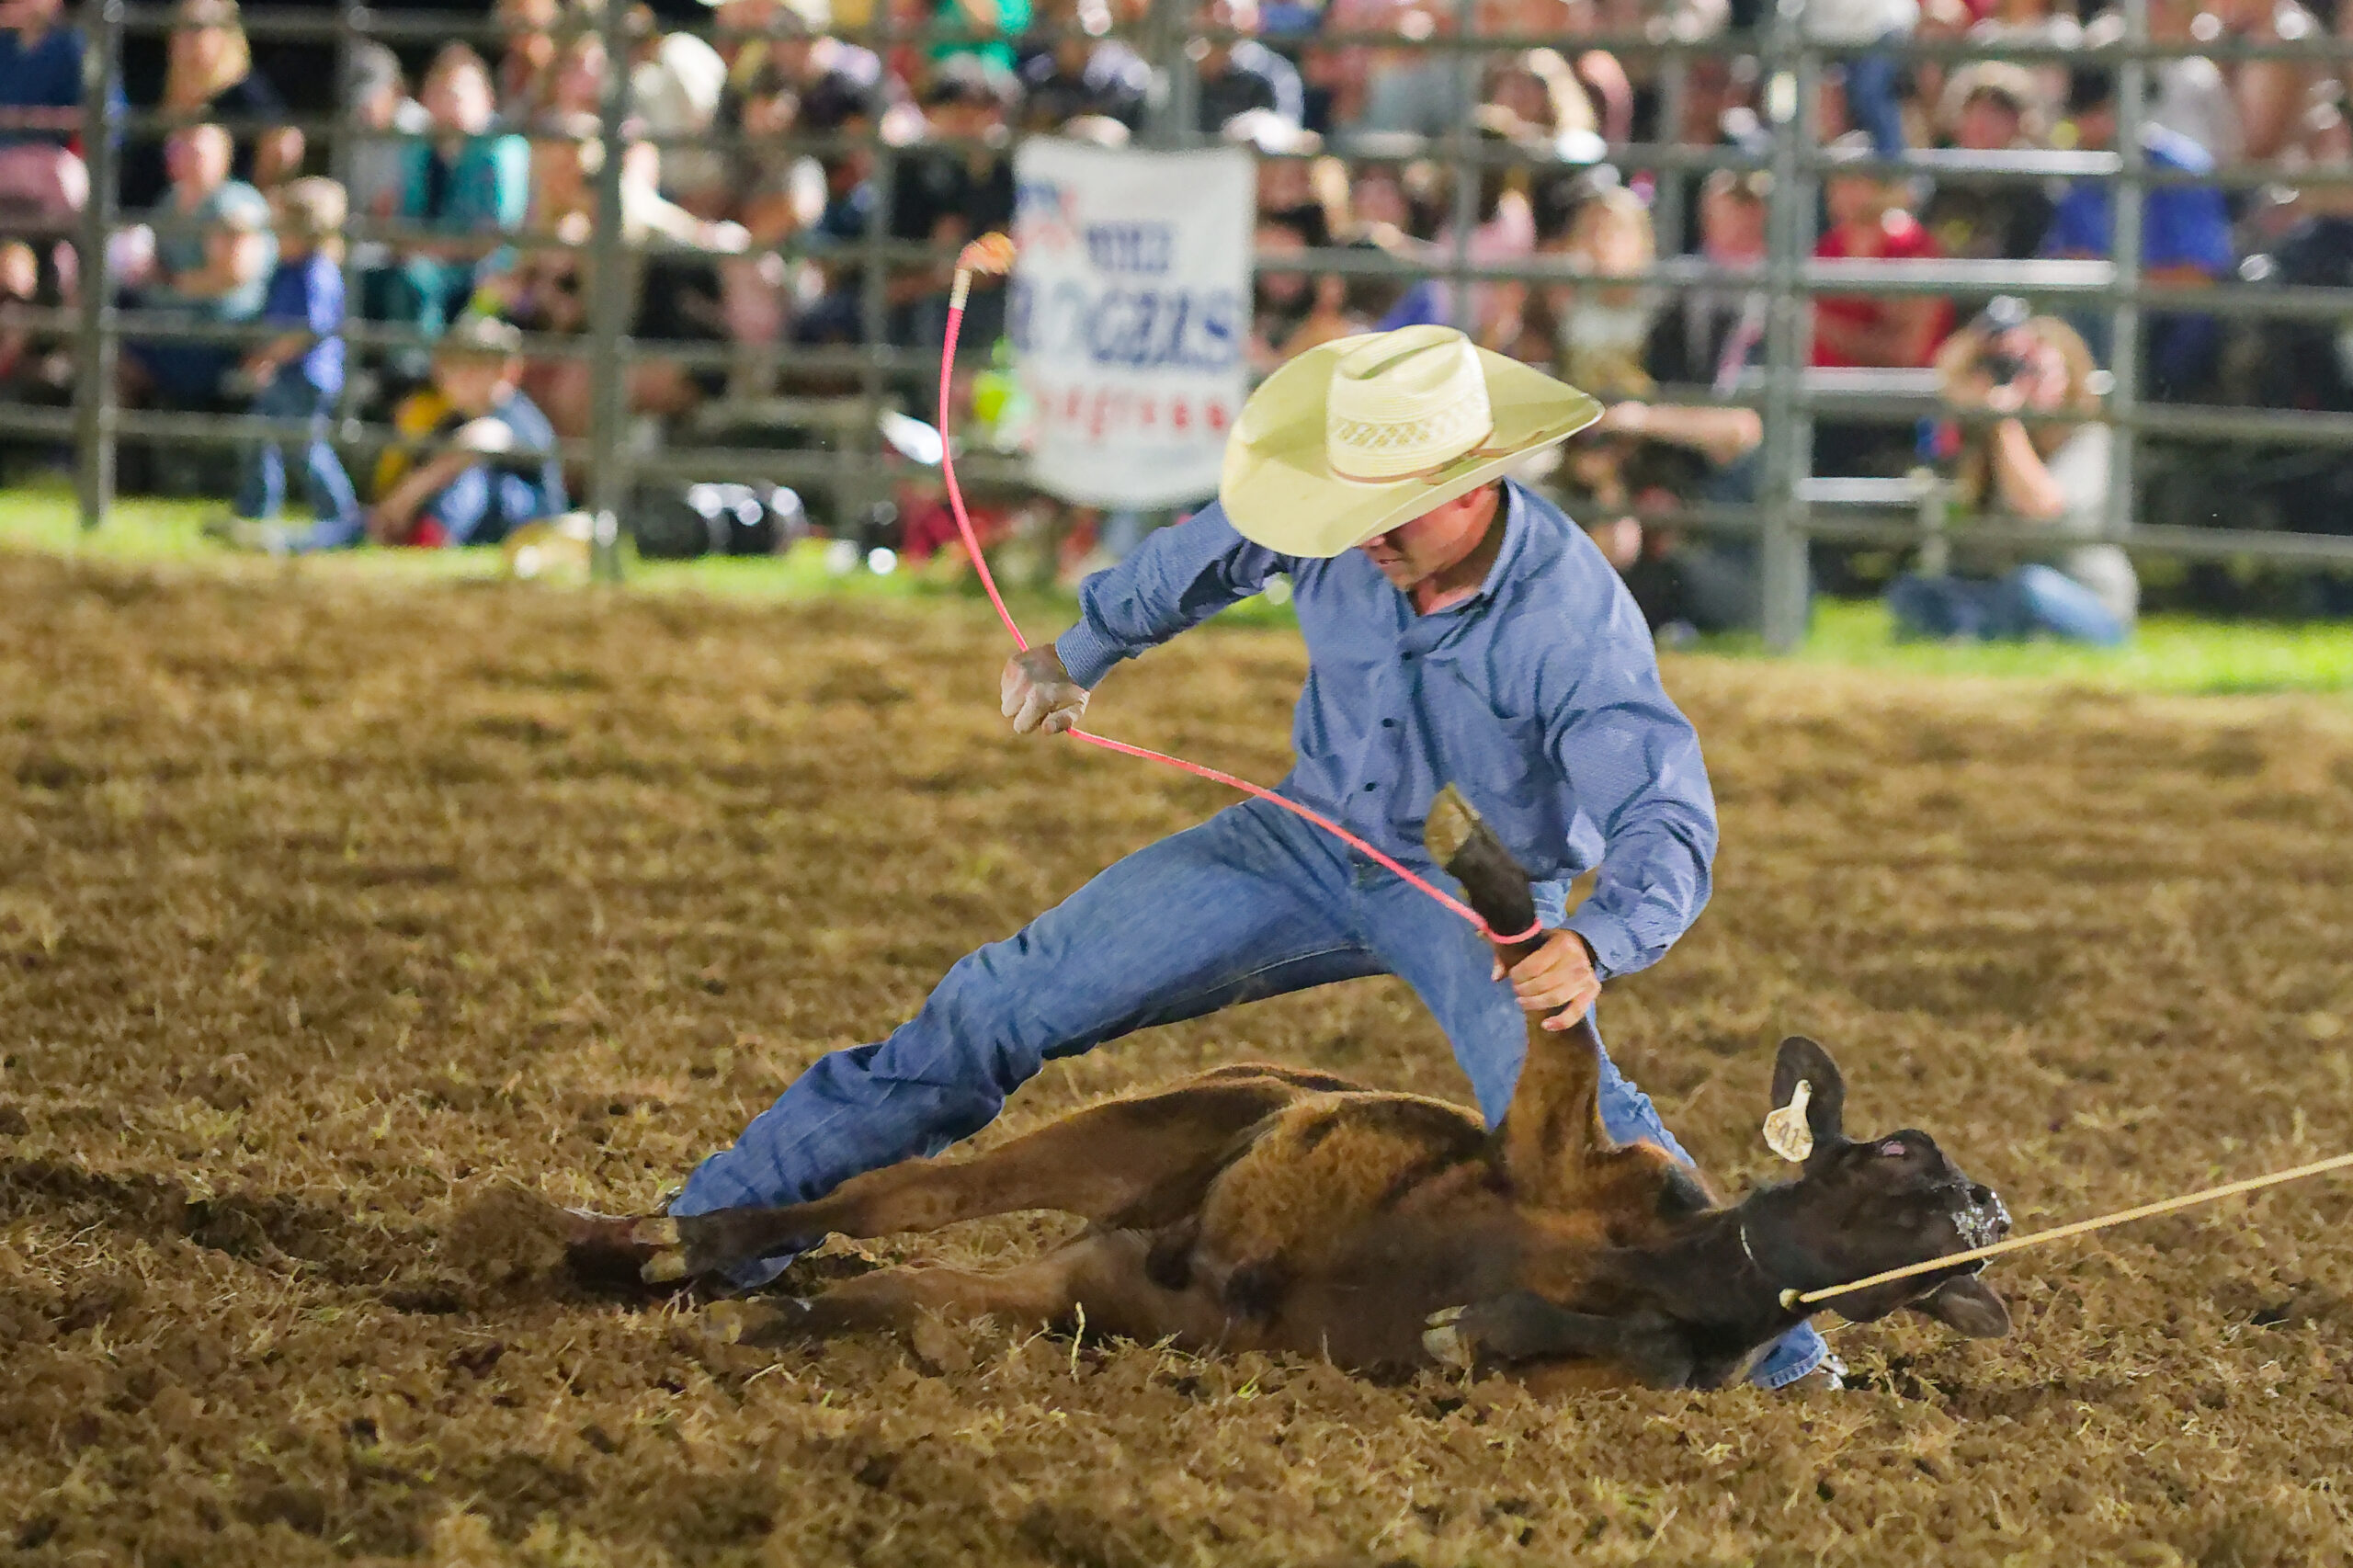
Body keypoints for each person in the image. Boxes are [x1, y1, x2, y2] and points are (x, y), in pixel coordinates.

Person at [606, 323, 1836, 1392]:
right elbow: (1217, 542)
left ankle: (1779, 1354)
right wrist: (1083, 650)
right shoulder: (1347, 527)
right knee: (1006, 995)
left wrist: (1592, 940)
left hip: (1473, 897)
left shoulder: (1572, 623)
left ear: (1476, 481)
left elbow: (1664, 815)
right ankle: (716, 1221)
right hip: (1299, 838)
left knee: (1581, 1135)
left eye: (1388, 513)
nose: (1359, 540)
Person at [1887, 302, 2134, 646]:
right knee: (1914, 590)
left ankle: (1970, 634)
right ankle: (1974, 635)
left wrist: (2005, 423)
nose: (2029, 381)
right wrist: (1975, 352)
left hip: (2086, 606)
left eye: (2041, 370)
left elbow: (2042, 506)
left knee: (2028, 586)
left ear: (2070, 374)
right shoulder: (1987, 435)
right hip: (2000, 590)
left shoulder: (2088, 437)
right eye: (2019, 368)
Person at [2044, 66, 2232, 404]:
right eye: (2082, 112)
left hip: (2166, 326)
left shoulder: (2182, 169)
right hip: (2093, 319)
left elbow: (2201, 278)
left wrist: (2116, 279)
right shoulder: (2079, 174)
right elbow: (2060, 262)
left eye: (2098, 110)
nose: (2087, 124)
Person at [209, 177, 359, 552]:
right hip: (286, 373)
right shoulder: (288, 270)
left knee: (304, 447)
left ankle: (341, 517)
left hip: (307, 377)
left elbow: (308, 331)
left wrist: (269, 356)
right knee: (261, 435)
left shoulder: (316, 273)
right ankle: (254, 511)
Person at [362, 315, 564, 549]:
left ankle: (431, 538)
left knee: (474, 478)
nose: (449, 377)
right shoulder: (452, 417)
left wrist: (406, 498)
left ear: (507, 371)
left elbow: (481, 439)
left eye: (470, 366)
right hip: (482, 526)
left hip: (532, 522)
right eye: (451, 365)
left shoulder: (514, 413)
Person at [119, 123, 276, 407]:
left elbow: (236, 271)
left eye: (197, 152)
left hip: (217, 336)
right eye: (181, 150)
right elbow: (154, 266)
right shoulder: (169, 201)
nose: (186, 158)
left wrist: (172, 282)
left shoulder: (234, 203)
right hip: (164, 324)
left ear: (224, 158)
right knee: (101, 342)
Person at [392, 43, 530, 342]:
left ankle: (425, 369)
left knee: (418, 280)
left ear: (487, 99)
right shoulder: (419, 150)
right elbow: (405, 219)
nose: (448, 105)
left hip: (489, 275)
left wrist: (433, 250)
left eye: (456, 95)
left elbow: (499, 235)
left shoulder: (503, 149)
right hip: (426, 263)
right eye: (438, 94)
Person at [121, 0, 301, 211]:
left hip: (219, 217)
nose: (187, 39)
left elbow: (285, 142)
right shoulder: (156, 87)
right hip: (152, 214)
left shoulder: (243, 92)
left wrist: (258, 196)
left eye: (198, 29)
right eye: (181, 27)